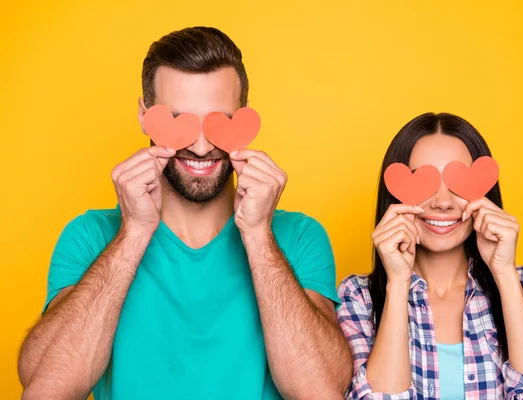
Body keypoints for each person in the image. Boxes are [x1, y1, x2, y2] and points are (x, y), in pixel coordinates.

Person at [18, 26, 352, 400]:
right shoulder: (91, 235)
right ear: (145, 116)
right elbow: (45, 390)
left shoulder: (298, 236)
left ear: (242, 118)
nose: (200, 146)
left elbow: (321, 391)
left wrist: (258, 235)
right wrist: (133, 234)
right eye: (179, 122)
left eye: (218, 122)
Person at [336, 112, 523, 399]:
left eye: (458, 182)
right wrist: (398, 282)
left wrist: (504, 272)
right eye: (422, 181)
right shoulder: (358, 298)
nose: (442, 203)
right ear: (396, 194)